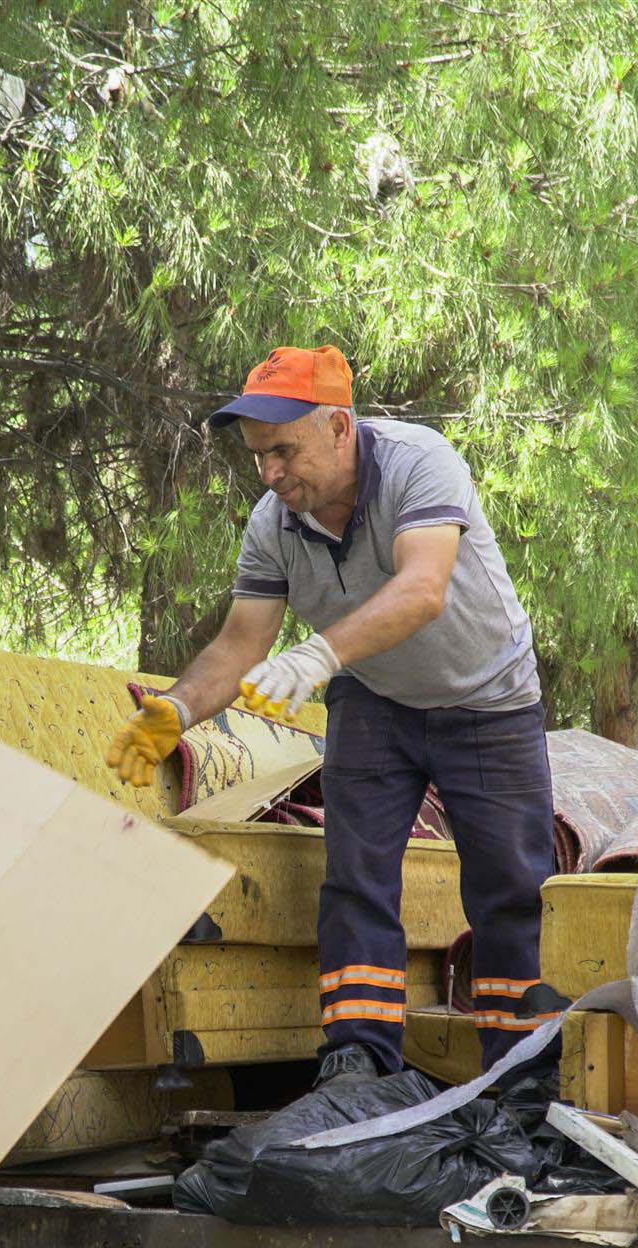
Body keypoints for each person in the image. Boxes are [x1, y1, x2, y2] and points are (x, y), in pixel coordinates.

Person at [109, 345, 564, 1102]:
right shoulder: (274, 524)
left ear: (339, 427)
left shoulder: (420, 463)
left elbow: (423, 589)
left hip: (488, 699)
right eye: (258, 457)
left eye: (284, 451)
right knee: (355, 877)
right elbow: (240, 643)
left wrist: (318, 654)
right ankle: (358, 1061)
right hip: (376, 698)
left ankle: (522, 1072)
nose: (271, 473)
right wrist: (179, 709)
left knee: (509, 887)